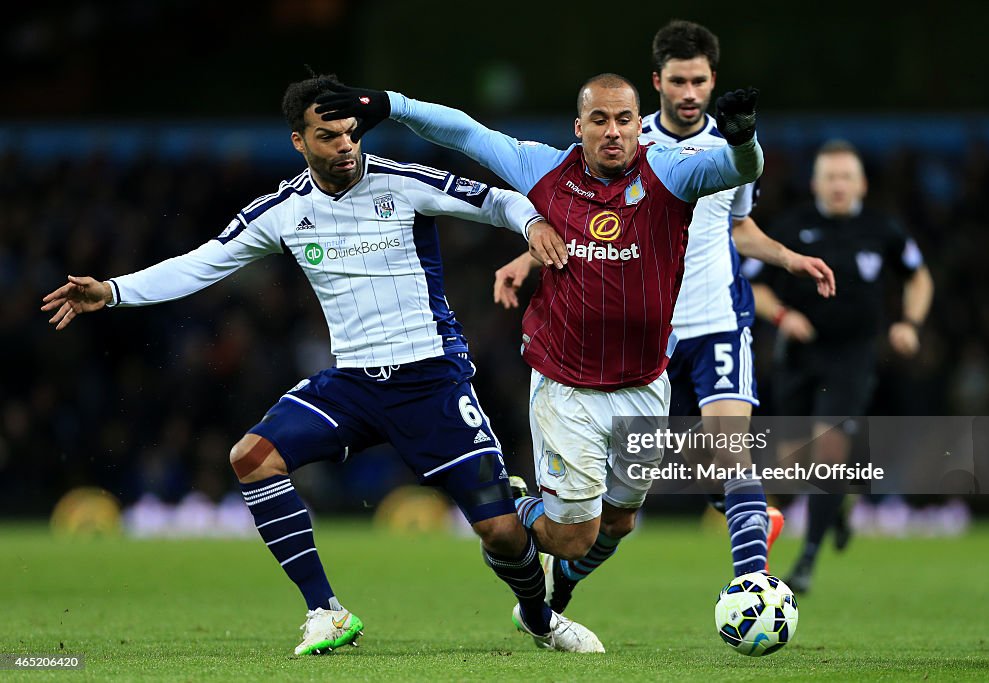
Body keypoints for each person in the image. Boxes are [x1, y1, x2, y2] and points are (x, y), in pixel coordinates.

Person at [40, 74, 605, 655]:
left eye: (350, 133)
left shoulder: (404, 184)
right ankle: (326, 610)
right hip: (353, 384)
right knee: (252, 457)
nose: (345, 146)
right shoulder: (283, 211)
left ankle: (540, 618)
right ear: (298, 141)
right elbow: (202, 263)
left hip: (431, 380)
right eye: (328, 136)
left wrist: (531, 223)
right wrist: (111, 291)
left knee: (503, 533)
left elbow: (498, 199)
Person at [313, 72, 766, 645]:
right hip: (567, 386)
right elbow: (465, 134)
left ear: (638, 125)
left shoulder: (671, 172)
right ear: (579, 128)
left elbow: (741, 168)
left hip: (647, 383)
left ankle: (536, 530)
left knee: (621, 521)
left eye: (624, 119)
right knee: (573, 537)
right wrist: (392, 104)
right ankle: (512, 510)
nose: (612, 131)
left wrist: (743, 136)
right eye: (599, 120)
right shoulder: (545, 169)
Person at [491, 19, 836, 611]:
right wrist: (528, 254)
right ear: (657, 83)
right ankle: (568, 576)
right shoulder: (630, 141)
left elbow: (738, 227)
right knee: (618, 515)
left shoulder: (731, 146)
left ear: (712, 81)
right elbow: (584, 215)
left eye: (698, 80)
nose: (688, 92)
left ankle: (751, 587)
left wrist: (788, 258)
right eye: (677, 80)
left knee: (731, 451)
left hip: (720, 316)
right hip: (654, 334)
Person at [745, 139, 933, 593]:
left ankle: (807, 559)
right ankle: (840, 506)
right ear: (815, 183)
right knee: (795, 463)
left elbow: (919, 277)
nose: (838, 185)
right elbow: (752, 286)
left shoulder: (882, 229)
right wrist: (784, 317)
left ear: (861, 183)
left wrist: (909, 322)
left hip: (853, 356)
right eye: (830, 177)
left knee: (828, 450)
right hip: (799, 357)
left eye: (846, 176)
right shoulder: (790, 228)